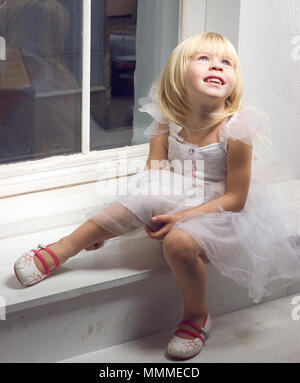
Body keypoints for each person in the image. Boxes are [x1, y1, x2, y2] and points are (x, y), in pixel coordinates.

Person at [14, 32, 300, 360]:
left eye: (227, 62)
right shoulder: (168, 122)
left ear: (234, 80)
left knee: (177, 243)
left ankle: (197, 316)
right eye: (204, 59)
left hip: (219, 210)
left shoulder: (237, 129)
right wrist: (119, 222)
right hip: (176, 194)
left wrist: (183, 217)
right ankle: (65, 247)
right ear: (179, 74)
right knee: (138, 199)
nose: (217, 66)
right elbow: (153, 179)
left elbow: (237, 198)